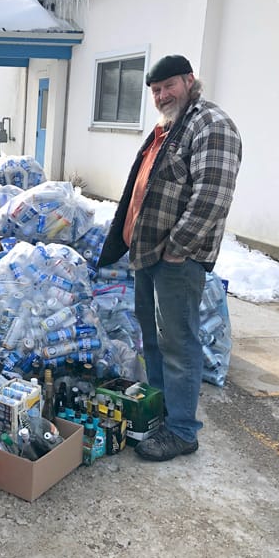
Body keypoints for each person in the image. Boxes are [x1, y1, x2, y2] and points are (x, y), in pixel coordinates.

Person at [96, 54, 242, 462]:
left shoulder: (211, 125)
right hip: (148, 255)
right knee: (154, 341)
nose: (161, 96)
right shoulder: (170, 127)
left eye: (168, 87)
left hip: (176, 260)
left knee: (178, 342)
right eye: (156, 90)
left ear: (189, 81)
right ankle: (161, 412)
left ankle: (182, 431)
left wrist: (177, 249)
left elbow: (212, 198)